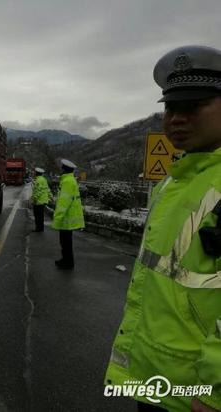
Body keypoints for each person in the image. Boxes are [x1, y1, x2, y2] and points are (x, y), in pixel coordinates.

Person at [105, 45, 221, 412]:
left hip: (197, 393)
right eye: (171, 108)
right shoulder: (173, 183)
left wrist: (215, 391)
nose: (177, 119)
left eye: (193, 105)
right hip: (155, 378)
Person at [52, 159, 84, 269]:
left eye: (62, 168)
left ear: (64, 169)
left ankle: (67, 263)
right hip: (68, 216)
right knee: (66, 242)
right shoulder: (70, 180)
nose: (61, 170)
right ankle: (66, 260)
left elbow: (64, 202)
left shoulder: (67, 182)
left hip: (67, 217)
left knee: (65, 242)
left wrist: (57, 217)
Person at [31, 167, 51, 232]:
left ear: (37, 173)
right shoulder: (44, 179)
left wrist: (33, 199)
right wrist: (51, 196)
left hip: (38, 201)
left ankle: (38, 228)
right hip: (43, 201)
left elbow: (37, 191)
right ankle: (41, 228)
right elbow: (47, 189)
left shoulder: (38, 180)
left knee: (37, 216)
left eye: (34, 172)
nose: (33, 173)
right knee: (41, 215)